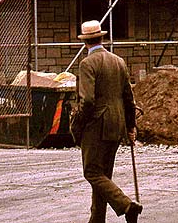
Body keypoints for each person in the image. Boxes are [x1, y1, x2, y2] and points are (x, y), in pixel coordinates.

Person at [70, 20, 142, 223]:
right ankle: (97, 220)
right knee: (103, 177)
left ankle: (127, 205)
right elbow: (129, 99)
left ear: (85, 42)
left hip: (96, 127)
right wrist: (130, 127)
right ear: (102, 38)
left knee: (92, 172)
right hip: (117, 125)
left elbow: (88, 101)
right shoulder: (118, 61)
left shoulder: (87, 64)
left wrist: (79, 125)